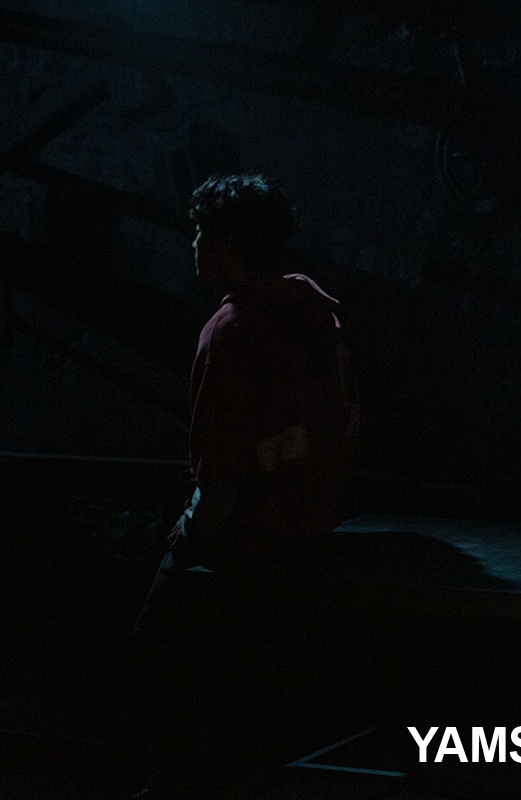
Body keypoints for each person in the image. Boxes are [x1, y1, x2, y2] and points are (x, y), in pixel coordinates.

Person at [131, 174, 356, 798]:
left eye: (200, 234)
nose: (193, 247)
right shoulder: (317, 312)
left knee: (153, 659)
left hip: (248, 547)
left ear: (225, 245)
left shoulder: (230, 331)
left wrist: (183, 543)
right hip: (308, 538)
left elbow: (222, 483)